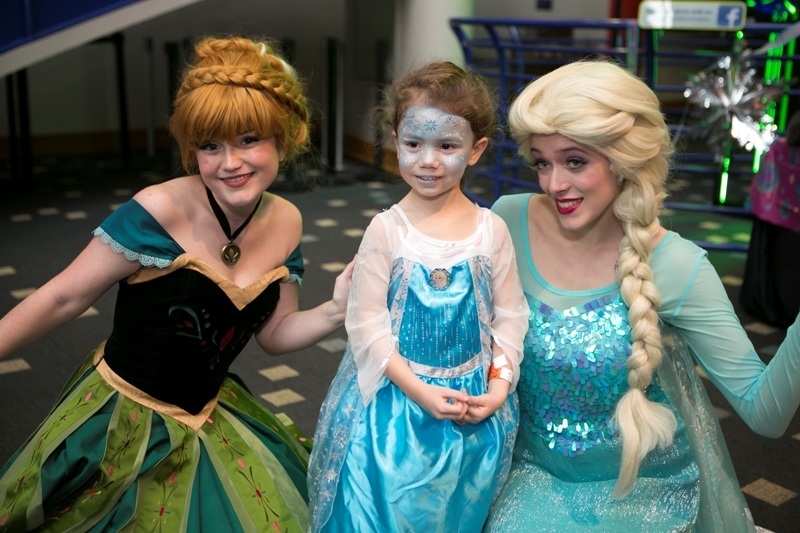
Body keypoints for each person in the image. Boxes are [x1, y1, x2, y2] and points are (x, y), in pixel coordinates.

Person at [0, 36, 353, 532]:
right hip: (122, 416)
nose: (230, 163)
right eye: (211, 146)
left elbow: (274, 336)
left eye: (249, 139)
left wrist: (336, 310)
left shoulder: (287, 220)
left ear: (286, 137)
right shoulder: (158, 209)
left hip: (211, 412)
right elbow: (65, 296)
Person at [484, 60, 800, 532]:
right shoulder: (506, 220)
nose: (553, 184)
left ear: (624, 158)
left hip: (645, 495)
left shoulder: (677, 265)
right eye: (542, 162)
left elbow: (765, 413)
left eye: (575, 161)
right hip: (530, 476)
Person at [307, 62, 529, 532]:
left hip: (474, 406)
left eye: (447, 146)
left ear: (476, 150)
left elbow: (509, 317)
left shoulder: (493, 230)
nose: (428, 160)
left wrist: (499, 389)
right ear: (395, 140)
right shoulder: (386, 230)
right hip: (395, 412)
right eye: (413, 144)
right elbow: (366, 325)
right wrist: (420, 392)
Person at [740, 111, 800, 328]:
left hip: (777, 219)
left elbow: (765, 183)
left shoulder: (780, 148)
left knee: (780, 267)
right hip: (789, 224)